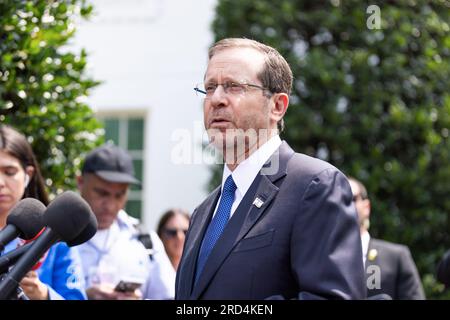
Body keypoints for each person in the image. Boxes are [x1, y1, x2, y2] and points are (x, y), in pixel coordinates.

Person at [175, 38, 365, 300]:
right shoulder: (203, 212)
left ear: (277, 106)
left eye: (233, 86)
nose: (216, 99)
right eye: (209, 87)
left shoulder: (315, 185)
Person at [76, 144, 175, 300]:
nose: (110, 205)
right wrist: (80, 297)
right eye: (102, 193)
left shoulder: (146, 242)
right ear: (80, 183)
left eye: (119, 195)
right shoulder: (55, 238)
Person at [0, 125, 86, 300]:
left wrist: (43, 294)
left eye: (10, 172)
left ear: (28, 175)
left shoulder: (54, 234)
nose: (0, 182)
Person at [348, 177, 425, 299]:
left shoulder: (396, 257)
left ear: (366, 207)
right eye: (340, 200)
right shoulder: (322, 259)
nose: (346, 205)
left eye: (352, 199)